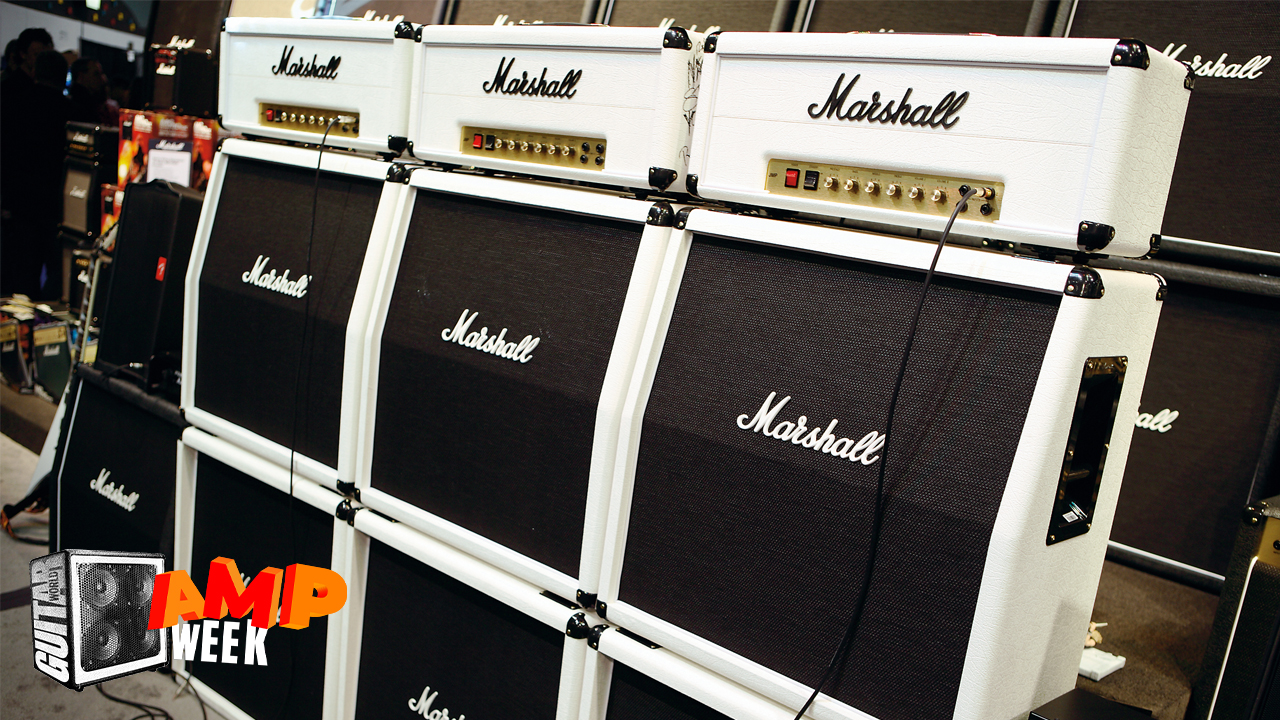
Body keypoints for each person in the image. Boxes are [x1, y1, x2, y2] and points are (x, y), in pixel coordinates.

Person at [1, 28, 55, 298]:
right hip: (20, 196)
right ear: (22, 55)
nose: (41, 58)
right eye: (37, 53)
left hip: (33, 197)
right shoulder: (10, 92)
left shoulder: (37, 93)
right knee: (21, 271)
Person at [68, 58, 112, 125]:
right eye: (96, 74)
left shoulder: (94, 104)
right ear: (81, 76)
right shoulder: (82, 108)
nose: (102, 78)